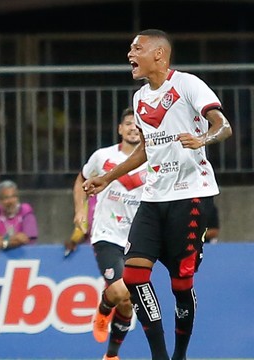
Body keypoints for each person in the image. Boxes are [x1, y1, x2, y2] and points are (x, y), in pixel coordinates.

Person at [84, 29, 232, 360]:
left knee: (181, 284)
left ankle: (180, 354)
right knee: (135, 275)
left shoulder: (187, 85)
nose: (130, 55)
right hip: (153, 198)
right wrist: (107, 178)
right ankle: (160, 356)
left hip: (191, 195)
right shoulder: (139, 98)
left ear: (159, 55)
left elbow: (223, 126)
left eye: (137, 48)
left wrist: (203, 139)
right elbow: (147, 150)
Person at [73, 107, 146, 360]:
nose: (133, 128)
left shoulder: (153, 160)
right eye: (128, 123)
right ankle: (104, 309)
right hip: (107, 233)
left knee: (126, 300)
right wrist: (80, 211)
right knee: (119, 291)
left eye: (138, 124)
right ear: (119, 129)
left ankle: (111, 356)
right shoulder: (103, 156)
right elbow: (81, 180)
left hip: (139, 239)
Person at [0, 180, 38, 250]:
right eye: (6, 198)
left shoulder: (25, 210)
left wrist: (3, 243)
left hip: (25, 256)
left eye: (14, 197)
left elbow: (24, 239)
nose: (11, 201)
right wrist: (15, 237)